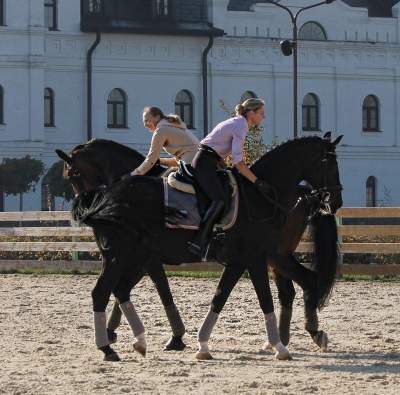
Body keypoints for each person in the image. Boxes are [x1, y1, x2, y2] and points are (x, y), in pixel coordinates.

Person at [187, 98, 271, 257]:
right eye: (261, 113)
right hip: (205, 163)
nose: (263, 117)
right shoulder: (241, 125)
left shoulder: (238, 122)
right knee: (220, 200)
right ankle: (198, 242)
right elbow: (238, 162)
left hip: (209, 161)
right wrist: (256, 181)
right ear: (251, 113)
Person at [130, 107, 199, 176]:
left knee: (164, 181)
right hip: (198, 163)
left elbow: (151, 159)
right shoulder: (172, 125)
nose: (145, 125)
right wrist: (160, 161)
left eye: (147, 120)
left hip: (191, 166)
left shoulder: (161, 130)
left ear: (157, 117)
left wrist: (134, 174)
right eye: (144, 121)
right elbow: (180, 159)